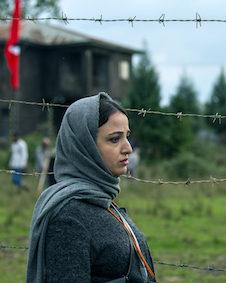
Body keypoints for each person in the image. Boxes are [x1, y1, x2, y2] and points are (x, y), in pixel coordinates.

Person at [27, 93, 157, 282]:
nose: (128, 148)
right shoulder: (67, 218)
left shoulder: (101, 201)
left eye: (126, 136)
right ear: (85, 146)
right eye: (114, 139)